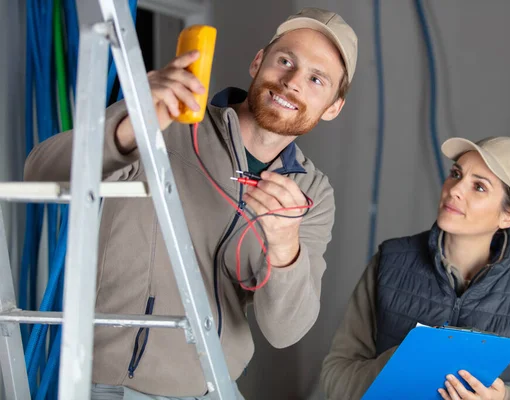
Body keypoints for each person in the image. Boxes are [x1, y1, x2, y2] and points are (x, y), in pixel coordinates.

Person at [24, 7, 357, 400]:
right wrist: (133, 128)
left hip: (216, 388)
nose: (292, 83)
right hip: (112, 387)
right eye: (285, 61)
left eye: (316, 79)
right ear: (257, 62)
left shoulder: (312, 195)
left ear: (333, 108)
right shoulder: (167, 123)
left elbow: (286, 331)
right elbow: (41, 173)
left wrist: (285, 247)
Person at [320, 136, 510, 400]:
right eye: (456, 174)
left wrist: (505, 399)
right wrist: (397, 365)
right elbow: (335, 377)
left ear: (509, 216)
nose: (455, 189)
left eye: (479, 187)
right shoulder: (390, 262)